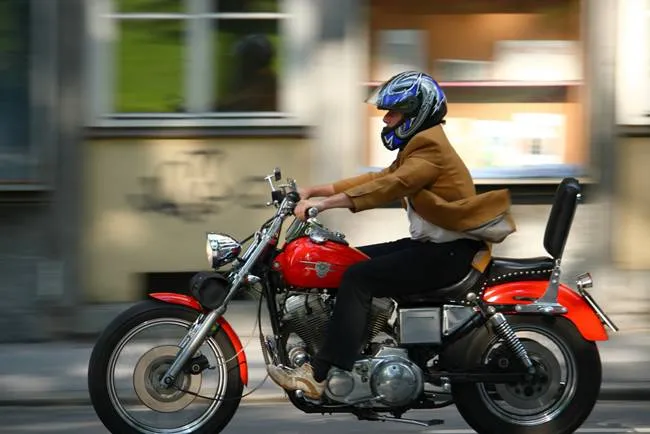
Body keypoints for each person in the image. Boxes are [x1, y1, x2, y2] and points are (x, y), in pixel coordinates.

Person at [267, 70, 517, 400]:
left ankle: (320, 373)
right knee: (348, 261)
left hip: (450, 254)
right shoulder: (417, 147)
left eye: (393, 112)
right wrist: (314, 189)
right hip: (435, 248)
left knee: (358, 277)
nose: (386, 120)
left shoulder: (430, 148)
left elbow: (391, 186)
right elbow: (376, 178)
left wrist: (325, 204)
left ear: (417, 114)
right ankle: (359, 346)